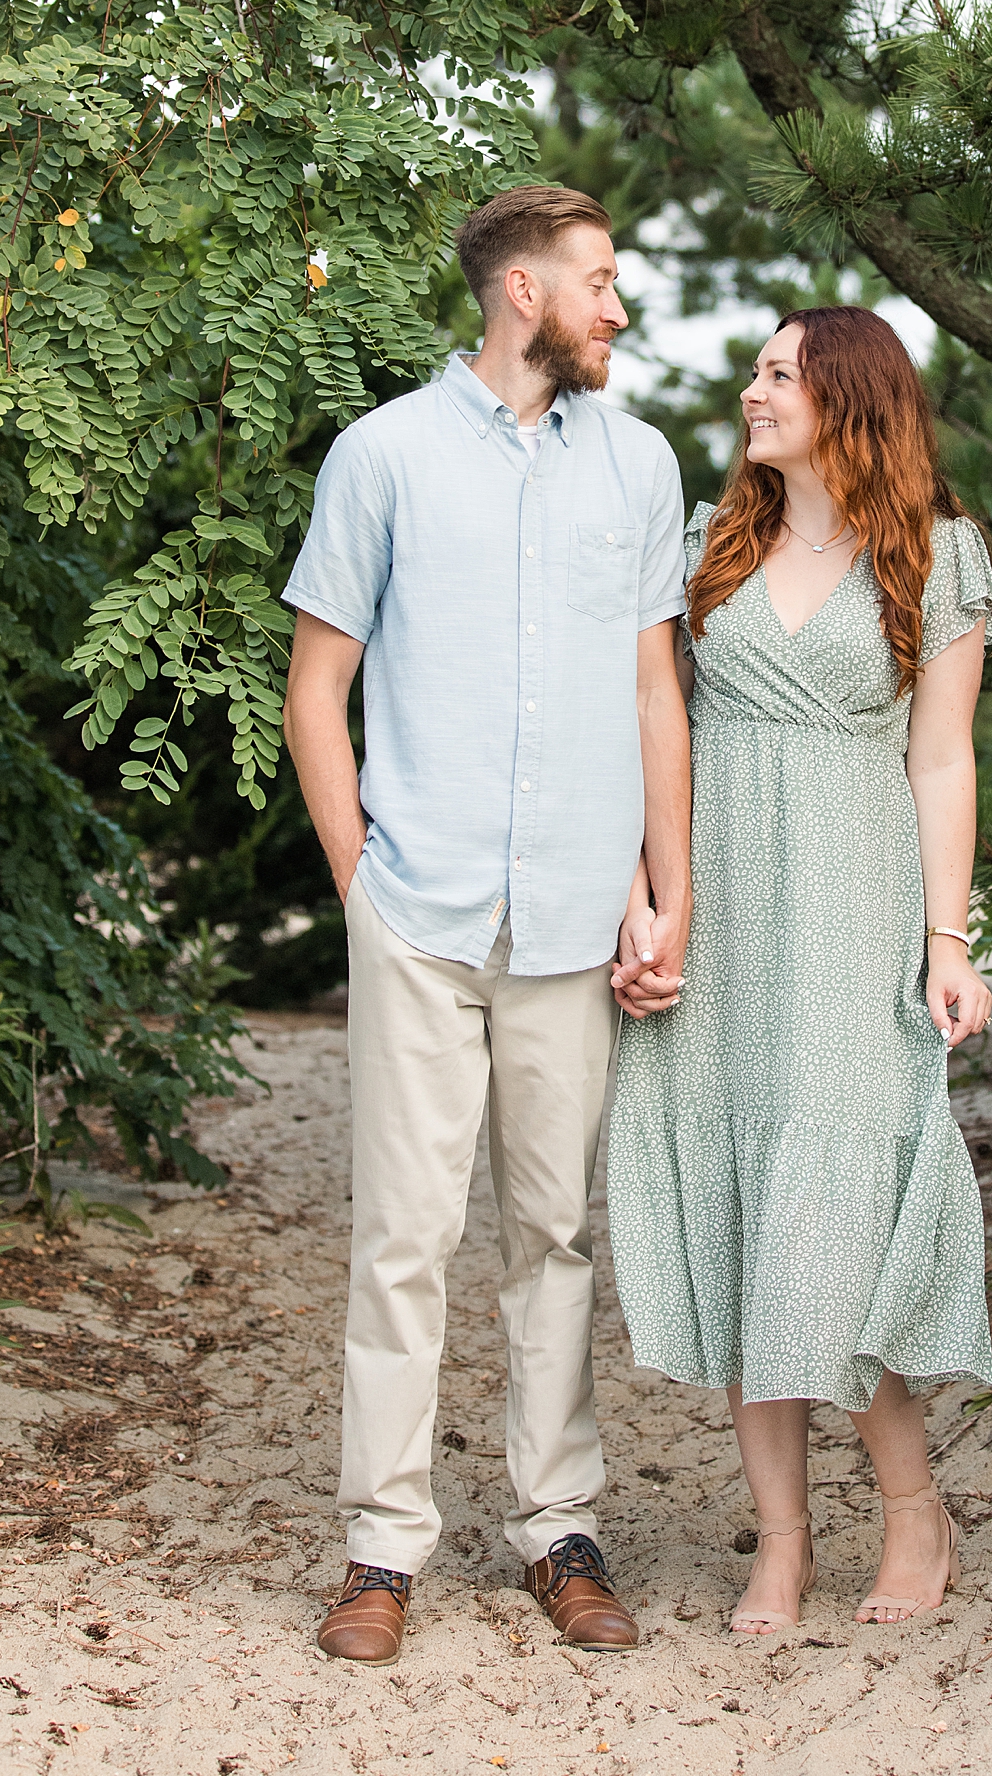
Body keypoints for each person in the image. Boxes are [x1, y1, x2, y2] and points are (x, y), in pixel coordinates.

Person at [280, 185, 692, 1665]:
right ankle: (382, 1546)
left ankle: (557, 1528)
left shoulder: (640, 468)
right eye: (600, 283)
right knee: (402, 1235)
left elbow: (657, 689)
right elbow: (315, 686)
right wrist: (357, 879)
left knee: (557, 1231)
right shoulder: (381, 455)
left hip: (580, 914)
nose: (619, 309)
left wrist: (670, 885)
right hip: (420, 907)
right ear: (523, 291)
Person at [606, 304, 992, 1636]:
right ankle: (779, 1544)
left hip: (852, 915)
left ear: (849, 399)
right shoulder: (703, 552)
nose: (753, 388)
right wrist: (646, 901)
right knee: (738, 1226)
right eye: (759, 367)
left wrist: (950, 942)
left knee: (830, 1234)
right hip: (719, 927)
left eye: (781, 373)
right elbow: (643, 734)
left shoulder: (939, 559)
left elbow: (941, 759)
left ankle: (912, 1514)